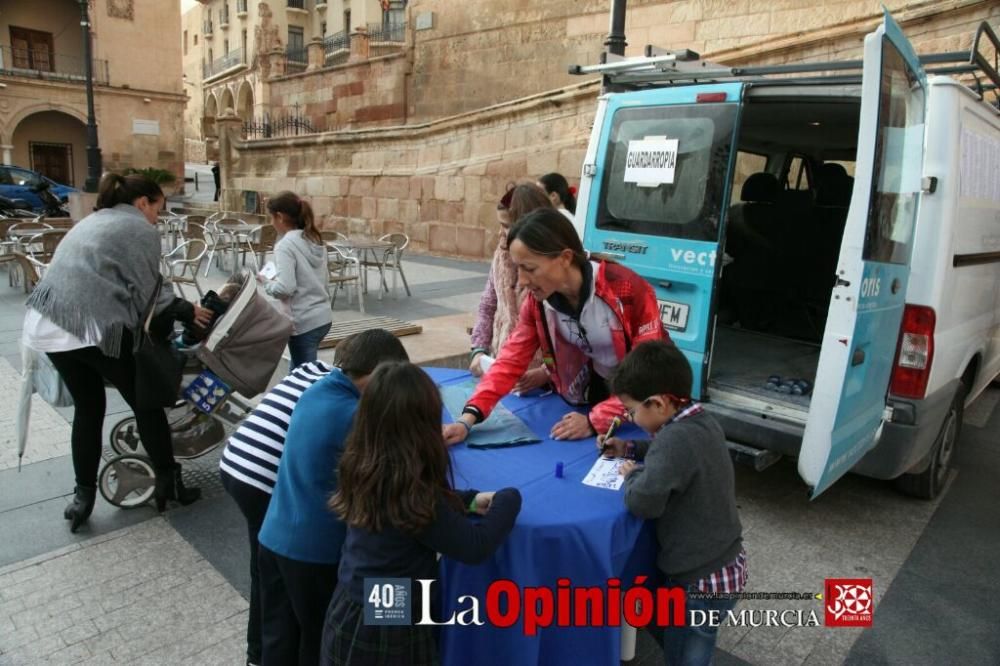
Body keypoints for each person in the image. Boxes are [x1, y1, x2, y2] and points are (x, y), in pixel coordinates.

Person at [23, 172, 211, 531]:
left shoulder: (95, 220)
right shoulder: (139, 228)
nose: (159, 217)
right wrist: (188, 312)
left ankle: (83, 497)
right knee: (147, 402)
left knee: (89, 409)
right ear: (143, 203)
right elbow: (148, 291)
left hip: (47, 323)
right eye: (159, 208)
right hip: (90, 326)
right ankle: (170, 484)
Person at [321, 362, 522, 665]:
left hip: (352, 602)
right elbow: (475, 545)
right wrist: (510, 497)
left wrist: (467, 501)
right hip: (388, 622)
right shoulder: (412, 490)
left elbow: (426, 510)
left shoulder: (365, 461)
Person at [444, 207, 668, 445]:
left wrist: (595, 421)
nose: (521, 280)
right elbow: (510, 361)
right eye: (518, 268)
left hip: (647, 404)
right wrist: (467, 419)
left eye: (529, 268)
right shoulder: (538, 303)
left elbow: (650, 373)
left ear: (565, 258)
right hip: (596, 392)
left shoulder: (627, 289)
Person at [256, 330, 409, 666]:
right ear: (371, 376)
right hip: (314, 553)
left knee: (279, 637)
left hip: (272, 536)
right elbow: (400, 480)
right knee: (319, 638)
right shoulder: (354, 416)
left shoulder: (317, 391)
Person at [602, 340, 746, 665]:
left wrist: (631, 475)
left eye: (632, 410)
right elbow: (674, 457)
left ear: (659, 404)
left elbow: (643, 502)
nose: (630, 416)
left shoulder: (673, 440)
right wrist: (630, 448)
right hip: (725, 564)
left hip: (698, 582)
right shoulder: (699, 420)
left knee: (686, 656)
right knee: (681, 636)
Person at [469, 183, 552, 394]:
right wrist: (479, 350)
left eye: (507, 226)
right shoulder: (501, 255)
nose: (502, 232)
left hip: (547, 383)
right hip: (504, 368)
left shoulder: (553, 265)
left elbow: (570, 338)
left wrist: (546, 372)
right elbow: (488, 304)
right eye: (500, 225)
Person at [258, 191, 332, 371]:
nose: (271, 223)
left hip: (303, 320)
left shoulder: (285, 245)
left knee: (301, 378)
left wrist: (266, 282)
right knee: (302, 369)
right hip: (323, 316)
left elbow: (285, 288)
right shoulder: (313, 238)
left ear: (280, 217)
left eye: (271, 218)